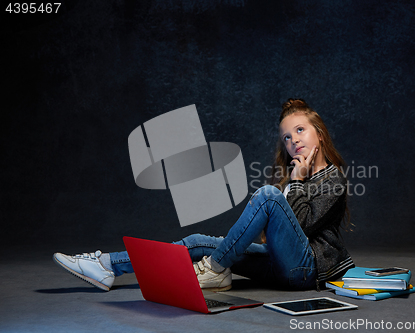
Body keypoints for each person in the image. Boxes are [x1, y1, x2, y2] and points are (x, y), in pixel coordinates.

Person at [53, 98, 355, 292]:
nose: (293, 141)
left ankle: (214, 268)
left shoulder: (334, 178)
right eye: (287, 137)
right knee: (198, 241)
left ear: (319, 133)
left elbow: (301, 229)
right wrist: (294, 182)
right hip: (279, 265)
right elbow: (279, 233)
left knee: (266, 195)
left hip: (305, 271)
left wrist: (298, 182)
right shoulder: (294, 177)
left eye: (300, 130)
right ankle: (107, 265)